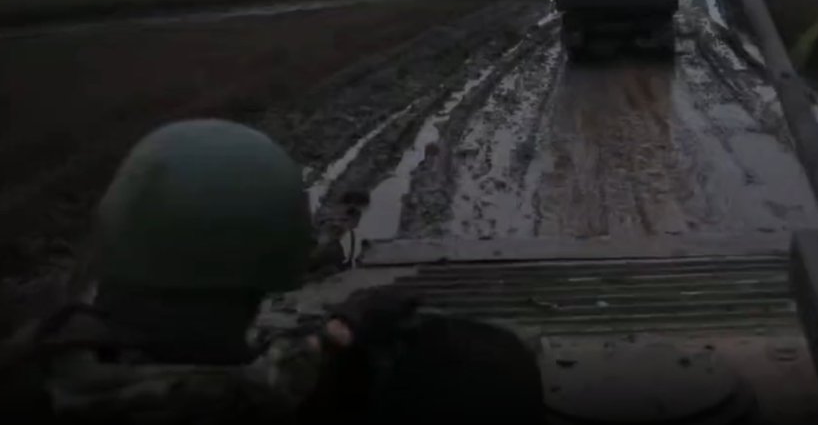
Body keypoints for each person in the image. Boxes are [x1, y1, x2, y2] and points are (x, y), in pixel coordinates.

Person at [0, 119, 544, 424]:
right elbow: (252, 391)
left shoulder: (44, 358)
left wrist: (335, 337)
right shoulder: (225, 401)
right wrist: (346, 339)